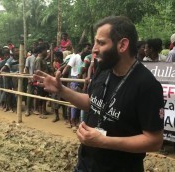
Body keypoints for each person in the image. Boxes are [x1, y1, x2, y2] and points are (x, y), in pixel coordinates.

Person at [34, 16, 164, 172]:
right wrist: (62, 90)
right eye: (95, 42)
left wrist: (104, 141)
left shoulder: (147, 85)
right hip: (85, 164)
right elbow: (91, 102)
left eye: (101, 43)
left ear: (122, 45)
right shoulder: (103, 69)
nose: (94, 49)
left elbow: (154, 141)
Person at [33, 45, 49, 119]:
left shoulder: (43, 59)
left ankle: (44, 110)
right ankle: (40, 112)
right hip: (40, 81)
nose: (46, 52)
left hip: (44, 80)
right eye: (45, 50)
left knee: (44, 96)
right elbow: (38, 72)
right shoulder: (39, 59)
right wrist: (39, 82)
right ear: (41, 51)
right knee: (40, 96)